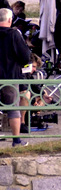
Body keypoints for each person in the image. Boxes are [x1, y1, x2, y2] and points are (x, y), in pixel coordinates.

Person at [0, 8, 33, 147]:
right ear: (10, 20)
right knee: (13, 109)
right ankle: (16, 140)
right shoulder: (14, 34)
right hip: (10, 77)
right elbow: (25, 56)